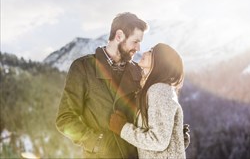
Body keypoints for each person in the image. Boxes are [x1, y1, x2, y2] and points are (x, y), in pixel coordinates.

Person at [55, 12, 148, 158]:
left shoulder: (138, 71)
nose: (138, 48)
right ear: (119, 36)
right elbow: (65, 119)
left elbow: (146, 115)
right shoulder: (83, 68)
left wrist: (170, 133)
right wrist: (97, 143)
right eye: (135, 41)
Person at [109, 43, 189, 159]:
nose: (145, 52)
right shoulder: (157, 90)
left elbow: (158, 141)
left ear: (162, 61)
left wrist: (122, 128)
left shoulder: (159, 90)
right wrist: (176, 140)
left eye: (151, 51)